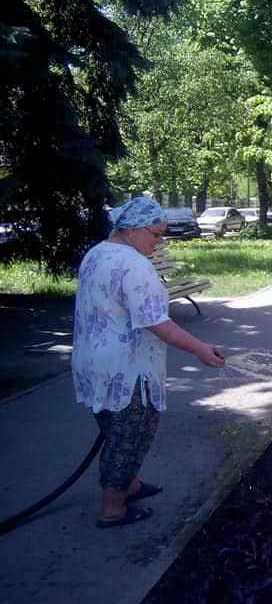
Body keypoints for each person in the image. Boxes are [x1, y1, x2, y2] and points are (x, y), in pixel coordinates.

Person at [71, 197, 225, 528]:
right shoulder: (134, 265)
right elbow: (156, 322)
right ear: (132, 229)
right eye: (156, 234)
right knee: (130, 438)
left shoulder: (96, 253)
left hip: (93, 363)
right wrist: (199, 348)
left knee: (114, 430)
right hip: (127, 370)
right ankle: (113, 510)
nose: (160, 242)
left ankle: (130, 485)